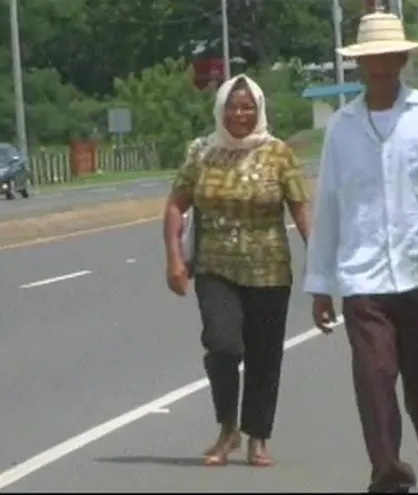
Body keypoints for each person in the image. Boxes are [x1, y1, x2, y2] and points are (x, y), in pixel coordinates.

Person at [304, 10, 418, 493]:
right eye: (371, 59)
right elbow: (329, 205)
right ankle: (389, 478)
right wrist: (321, 284)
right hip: (365, 279)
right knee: (374, 378)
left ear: (402, 59)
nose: (380, 66)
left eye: (389, 57)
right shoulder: (342, 127)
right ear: (360, 64)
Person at [162, 74, 312, 467]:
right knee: (222, 344)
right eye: (233, 106)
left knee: (265, 354)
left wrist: (319, 261)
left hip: (269, 270)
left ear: (258, 110)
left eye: (248, 107)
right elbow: (176, 205)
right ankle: (228, 427)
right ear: (221, 110)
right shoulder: (201, 153)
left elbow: (301, 209)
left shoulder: (278, 154)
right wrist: (174, 258)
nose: (240, 114)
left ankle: (258, 437)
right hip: (215, 267)